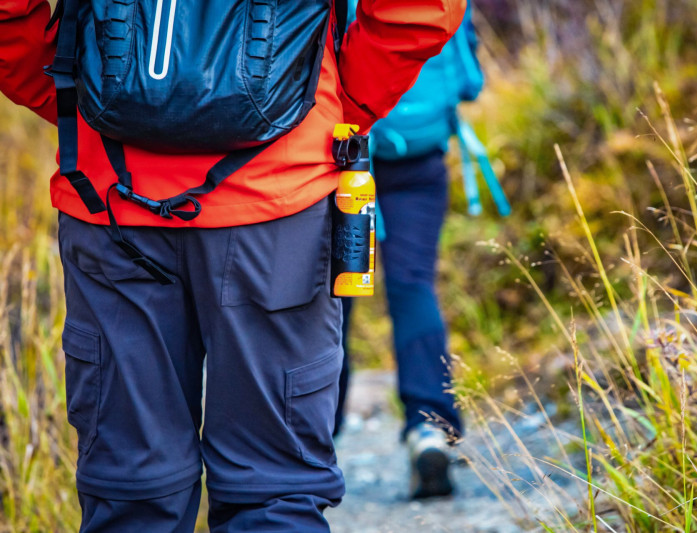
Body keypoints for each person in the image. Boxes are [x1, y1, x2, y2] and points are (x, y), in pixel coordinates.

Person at [0, 0, 465, 530]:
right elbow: (420, 9)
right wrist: (333, 105)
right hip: (277, 207)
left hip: (111, 199)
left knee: (129, 490)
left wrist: (85, 102)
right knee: (273, 491)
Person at [334, 0, 486, 499]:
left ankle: (310, 435)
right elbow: (469, 80)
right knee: (412, 285)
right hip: (420, 157)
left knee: (335, 292)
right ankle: (430, 427)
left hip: (344, 155)